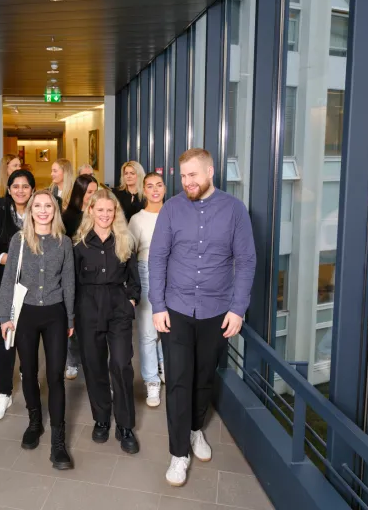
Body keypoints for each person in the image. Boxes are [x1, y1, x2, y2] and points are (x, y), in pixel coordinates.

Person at [149, 149, 256, 487]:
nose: (187, 182)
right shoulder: (171, 209)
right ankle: (178, 453)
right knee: (179, 380)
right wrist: (158, 305)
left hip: (216, 311)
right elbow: (157, 258)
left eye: (193, 175)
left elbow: (246, 260)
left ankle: (196, 430)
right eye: (183, 176)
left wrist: (238, 308)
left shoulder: (235, 210)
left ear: (210, 171)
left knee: (203, 377)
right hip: (176, 310)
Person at [0, 190, 75, 470]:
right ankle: (34, 422)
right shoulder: (19, 241)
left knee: (55, 376)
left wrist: (70, 318)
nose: (43, 211)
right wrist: (4, 315)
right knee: (28, 372)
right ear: (30, 211)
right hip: (26, 314)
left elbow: (69, 283)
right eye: (38, 206)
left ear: (55, 211)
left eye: (48, 206)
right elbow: (9, 281)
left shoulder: (64, 242)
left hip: (55, 313)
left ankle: (58, 439)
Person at [73, 189, 142, 454]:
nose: (105, 215)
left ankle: (125, 425)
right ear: (90, 211)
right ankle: (101, 418)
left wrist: (131, 300)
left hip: (118, 307)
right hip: (88, 309)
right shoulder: (78, 244)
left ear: (116, 213)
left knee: (122, 364)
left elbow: (134, 279)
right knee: (93, 366)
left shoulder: (125, 240)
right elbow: (73, 282)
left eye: (109, 210)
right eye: (100, 210)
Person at [0, 169, 35, 421]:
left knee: (29, 335)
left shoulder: (41, 213)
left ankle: (28, 377)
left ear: (32, 189)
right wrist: (6, 259)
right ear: (9, 189)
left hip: (35, 288)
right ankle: (4, 392)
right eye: (16, 186)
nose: (21, 190)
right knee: (4, 337)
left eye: (25, 186)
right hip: (4, 284)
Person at [128, 172, 166, 408]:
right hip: (146, 271)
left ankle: (163, 366)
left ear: (164, 188)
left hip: (174, 273)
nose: (154, 190)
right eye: (150, 186)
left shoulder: (175, 213)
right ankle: (152, 381)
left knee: (168, 328)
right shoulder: (137, 219)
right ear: (144, 190)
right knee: (148, 331)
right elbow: (129, 254)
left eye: (159, 185)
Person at [60, 173, 98, 380]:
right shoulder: (69, 216)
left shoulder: (98, 213)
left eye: (95, 191)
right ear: (80, 193)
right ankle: (72, 361)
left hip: (94, 274)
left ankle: (90, 359)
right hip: (73, 274)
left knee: (92, 320)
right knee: (71, 318)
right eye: (88, 192)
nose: (92, 196)